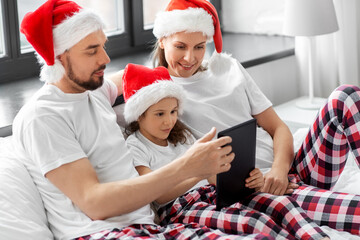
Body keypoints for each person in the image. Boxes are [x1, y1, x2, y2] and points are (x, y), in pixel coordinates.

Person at [11, 1, 260, 239]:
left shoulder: (94, 92)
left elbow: (138, 74)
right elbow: (94, 202)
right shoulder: (43, 116)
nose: (105, 59)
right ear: (59, 57)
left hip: (148, 226)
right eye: (92, 50)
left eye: (103, 46)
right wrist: (188, 167)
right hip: (100, 233)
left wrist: (184, 58)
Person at [145, 0, 360, 235]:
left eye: (199, 46)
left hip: (288, 169)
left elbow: (278, 127)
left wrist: (279, 169)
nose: (190, 57)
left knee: (346, 95)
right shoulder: (159, 95)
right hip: (256, 187)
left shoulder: (229, 68)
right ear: (162, 39)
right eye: (180, 46)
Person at [121, 63, 329, 240]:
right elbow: (156, 194)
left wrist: (250, 179)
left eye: (173, 112)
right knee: (253, 223)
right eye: (159, 114)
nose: (169, 121)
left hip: (214, 194)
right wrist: (199, 174)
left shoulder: (181, 136)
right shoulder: (136, 145)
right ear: (139, 115)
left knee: (283, 205)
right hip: (181, 207)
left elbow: (213, 174)